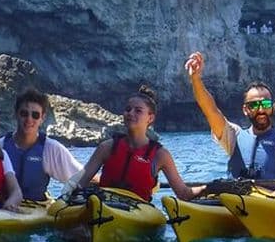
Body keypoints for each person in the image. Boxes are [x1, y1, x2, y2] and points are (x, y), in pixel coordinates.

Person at [184, 51, 275, 197]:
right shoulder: (234, 136)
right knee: (207, 189)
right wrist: (196, 79)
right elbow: (211, 111)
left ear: (273, 107)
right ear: (245, 110)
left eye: (265, 104)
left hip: (271, 202)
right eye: (254, 105)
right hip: (235, 201)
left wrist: (266, 202)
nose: (261, 110)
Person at [73, 85, 203, 201]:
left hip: (138, 213)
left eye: (138, 111)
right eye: (128, 109)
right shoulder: (106, 147)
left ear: (150, 118)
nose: (130, 113)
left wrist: (208, 188)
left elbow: (183, 193)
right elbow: (80, 184)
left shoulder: (161, 155)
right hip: (103, 206)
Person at [0, 88, 83, 201]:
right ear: (16, 114)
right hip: (4, 211)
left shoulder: (51, 149)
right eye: (24, 113)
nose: (29, 119)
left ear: (42, 118)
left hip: (37, 212)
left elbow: (82, 176)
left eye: (35, 115)